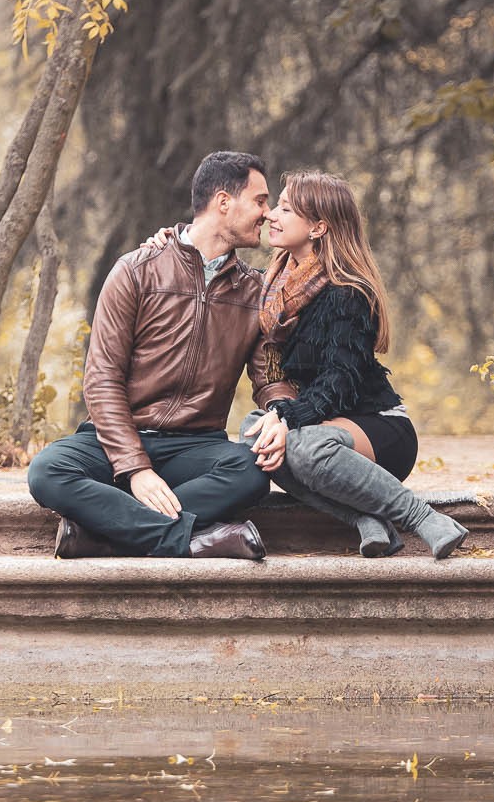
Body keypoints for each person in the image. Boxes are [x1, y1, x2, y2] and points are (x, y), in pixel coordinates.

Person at [27, 151, 294, 559]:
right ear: (224, 202)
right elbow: (102, 379)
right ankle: (193, 541)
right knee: (47, 471)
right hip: (117, 439)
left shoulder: (256, 291)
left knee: (251, 472)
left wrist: (280, 412)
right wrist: (135, 468)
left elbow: (270, 378)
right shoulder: (136, 270)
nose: (267, 212)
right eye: (260, 200)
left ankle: (103, 536)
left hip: (195, 447)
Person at [242, 171, 468, 559]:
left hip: (378, 428)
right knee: (253, 433)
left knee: (307, 447)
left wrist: (285, 418)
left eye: (286, 209)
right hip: (322, 424)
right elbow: (213, 265)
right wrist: (170, 240)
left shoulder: (347, 293)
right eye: (275, 206)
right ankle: (365, 518)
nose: (271, 216)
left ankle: (424, 518)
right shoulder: (275, 288)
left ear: (318, 227)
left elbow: (339, 381)